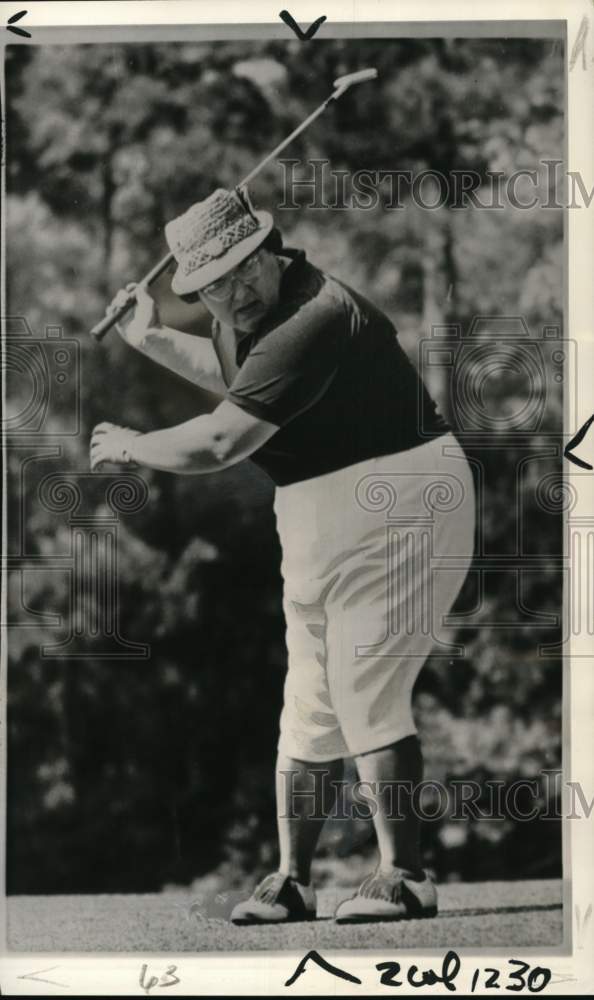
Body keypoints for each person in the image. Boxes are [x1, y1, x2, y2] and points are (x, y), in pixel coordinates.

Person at [91, 187, 475, 925]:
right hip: (316, 503)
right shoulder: (255, 320)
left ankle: (407, 876)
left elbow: (221, 440)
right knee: (309, 699)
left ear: (271, 250)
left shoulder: (316, 316)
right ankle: (294, 880)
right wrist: (150, 337)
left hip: (401, 493)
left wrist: (133, 444)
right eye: (210, 286)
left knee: (365, 677)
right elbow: (243, 379)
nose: (230, 294)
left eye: (241, 271)